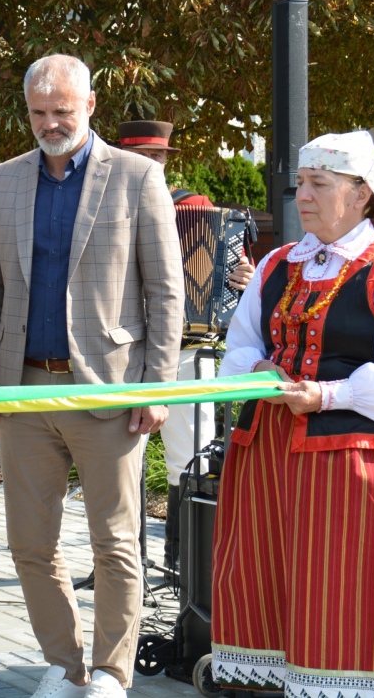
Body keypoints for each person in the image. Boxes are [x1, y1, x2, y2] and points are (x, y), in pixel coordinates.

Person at [0, 55, 184, 698]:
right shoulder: (4, 180)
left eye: (62, 110)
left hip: (110, 388)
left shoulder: (138, 176)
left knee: (116, 544)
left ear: (90, 106)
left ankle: (113, 674)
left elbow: (165, 292)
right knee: (29, 544)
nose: (49, 123)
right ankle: (65, 667)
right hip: (25, 386)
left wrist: (158, 387)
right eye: (38, 112)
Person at [210, 130, 374, 695]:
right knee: (267, 585)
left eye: (319, 183)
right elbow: (241, 346)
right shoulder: (275, 265)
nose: (304, 196)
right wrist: (256, 374)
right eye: (301, 183)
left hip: (358, 462)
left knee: (349, 593)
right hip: (269, 456)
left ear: (362, 194)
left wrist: (326, 395)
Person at [116, 119, 255, 572]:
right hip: (120, 352)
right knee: (116, 461)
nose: (150, 166)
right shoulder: (102, 205)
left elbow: (235, 278)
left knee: (189, 456)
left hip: (187, 348)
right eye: (142, 158)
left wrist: (241, 282)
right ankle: (121, 563)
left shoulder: (195, 207)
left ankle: (183, 565)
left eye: (157, 158)